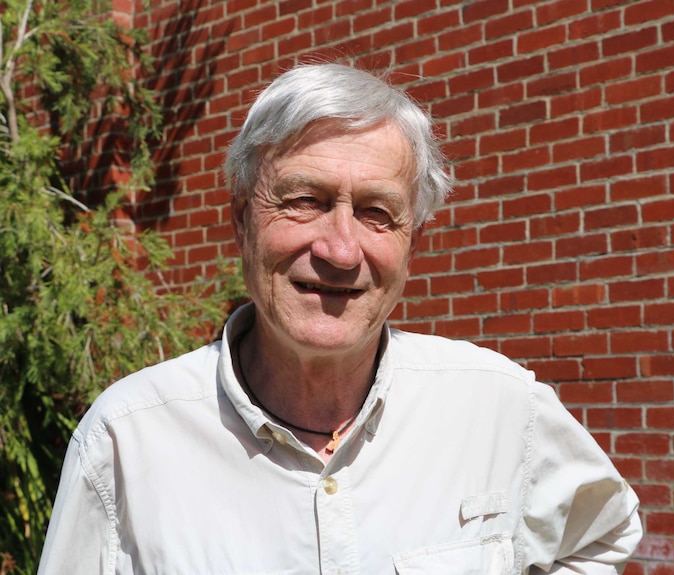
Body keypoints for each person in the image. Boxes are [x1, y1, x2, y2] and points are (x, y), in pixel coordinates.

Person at [38, 63, 642, 574]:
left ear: (413, 244)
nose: (340, 249)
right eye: (305, 201)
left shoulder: (501, 407)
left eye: (378, 212)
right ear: (242, 220)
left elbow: (603, 534)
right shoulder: (126, 441)